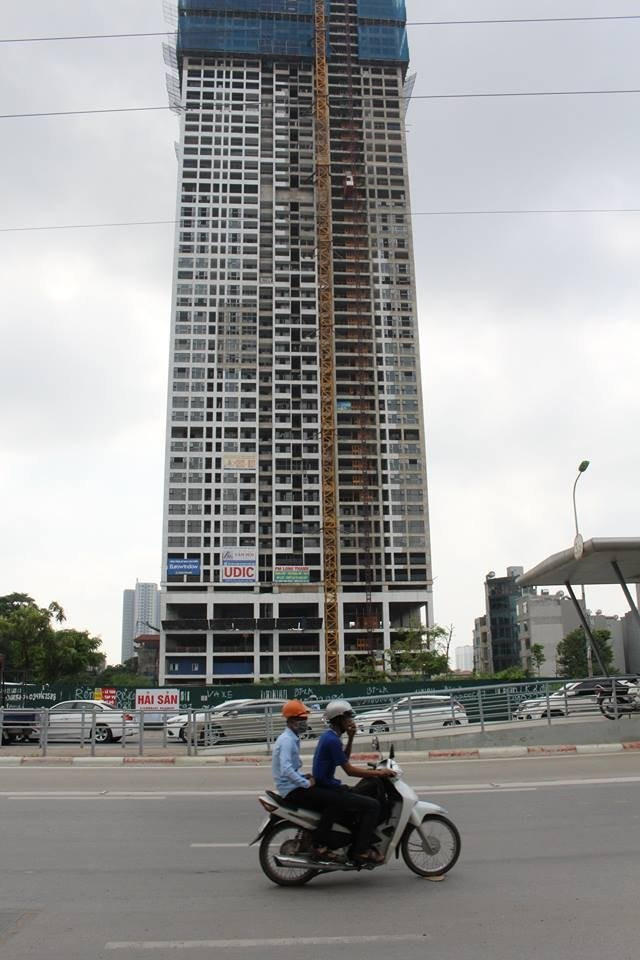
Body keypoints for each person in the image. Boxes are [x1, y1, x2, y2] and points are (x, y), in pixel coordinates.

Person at [311, 699, 394, 864]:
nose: (351, 721)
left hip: (329, 786)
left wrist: (351, 738)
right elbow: (349, 770)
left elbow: (344, 759)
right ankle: (361, 850)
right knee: (373, 805)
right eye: (348, 718)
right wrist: (378, 773)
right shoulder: (332, 740)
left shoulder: (330, 736)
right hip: (329, 789)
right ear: (339, 719)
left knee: (364, 792)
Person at [271, 700, 347, 858]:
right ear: (292, 721)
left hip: (292, 786)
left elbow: (291, 768)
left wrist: (302, 776)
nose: (305, 723)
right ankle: (319, 844)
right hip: (292, 790)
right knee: (334, 801)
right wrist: (305, 783)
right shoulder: (287, 741)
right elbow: (285, 769)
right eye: (302, 720)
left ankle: (314, 835)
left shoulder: (291, 738)